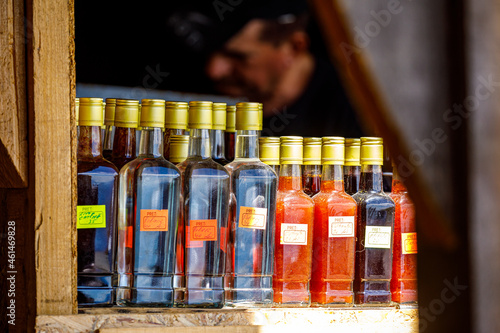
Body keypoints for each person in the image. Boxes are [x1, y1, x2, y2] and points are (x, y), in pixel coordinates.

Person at [167, 0, 365, 137]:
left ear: (294, 47)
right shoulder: (185, 90)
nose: (214, 70)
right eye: (211, 51)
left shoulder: (357, 113)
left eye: (237, 56)